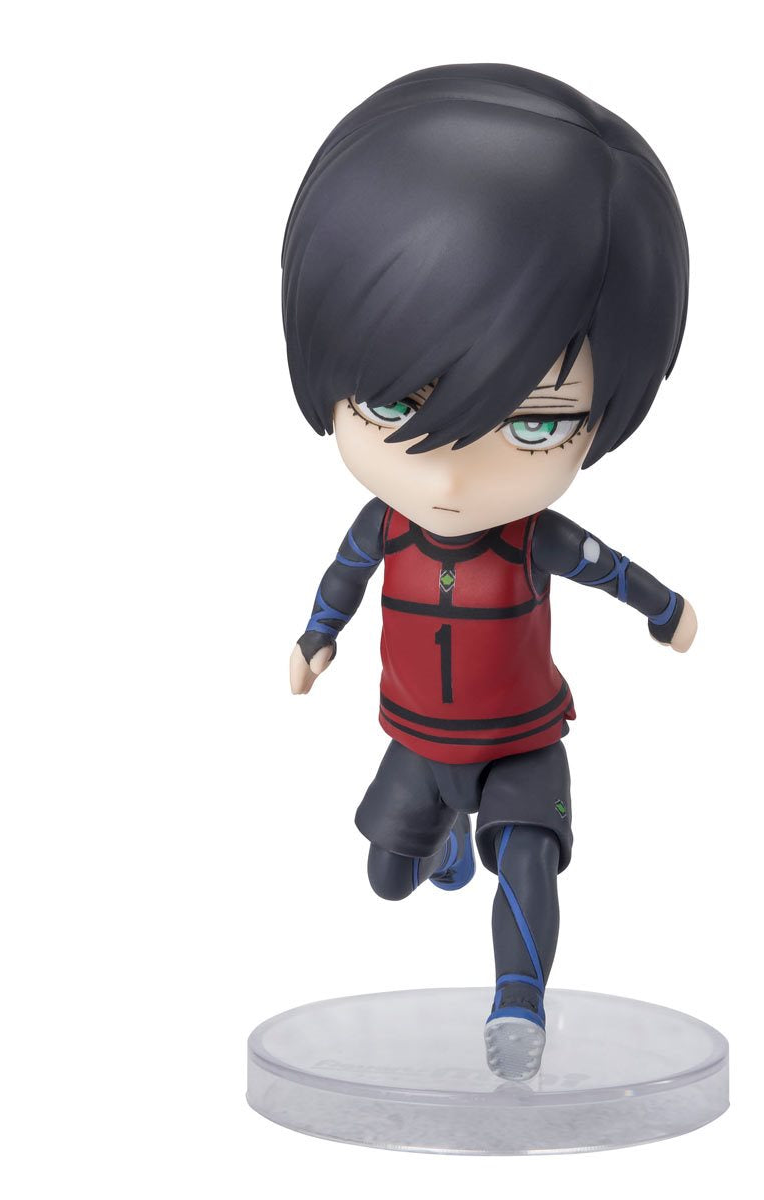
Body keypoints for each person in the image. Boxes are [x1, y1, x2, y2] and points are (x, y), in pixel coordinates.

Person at [281, 64, 695, 1081]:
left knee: (528, 858)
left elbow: (607, 568)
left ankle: (518, 1007)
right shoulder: (383, 526)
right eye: (395, 406)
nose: (455, 474)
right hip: (418, 738)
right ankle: (439, 842)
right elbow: (343, 577)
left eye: (536, 422)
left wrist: (666, 611)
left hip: (520, 739)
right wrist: (316, 638)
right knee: (388, 878)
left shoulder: (530, 539)